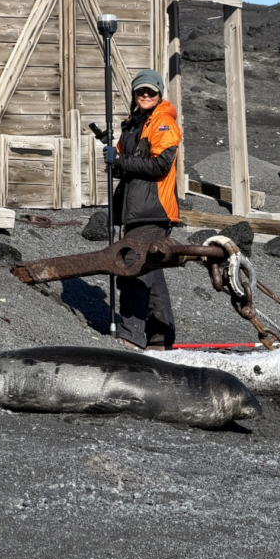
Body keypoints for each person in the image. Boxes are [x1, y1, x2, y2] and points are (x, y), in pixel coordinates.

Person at [105, 69, 182, 351]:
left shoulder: (163, 123)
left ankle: (130, 337)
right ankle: (160, 338)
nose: (146, 95)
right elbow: (120, 166)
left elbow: (160, 166)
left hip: (153, 209)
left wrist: (121, 161)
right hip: (136, 210)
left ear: (160, 94)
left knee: (133, 268)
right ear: (135, 95)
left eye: (151, 91)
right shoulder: (132, 125)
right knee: (152, 272)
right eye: (141, 91)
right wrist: (113, 159)